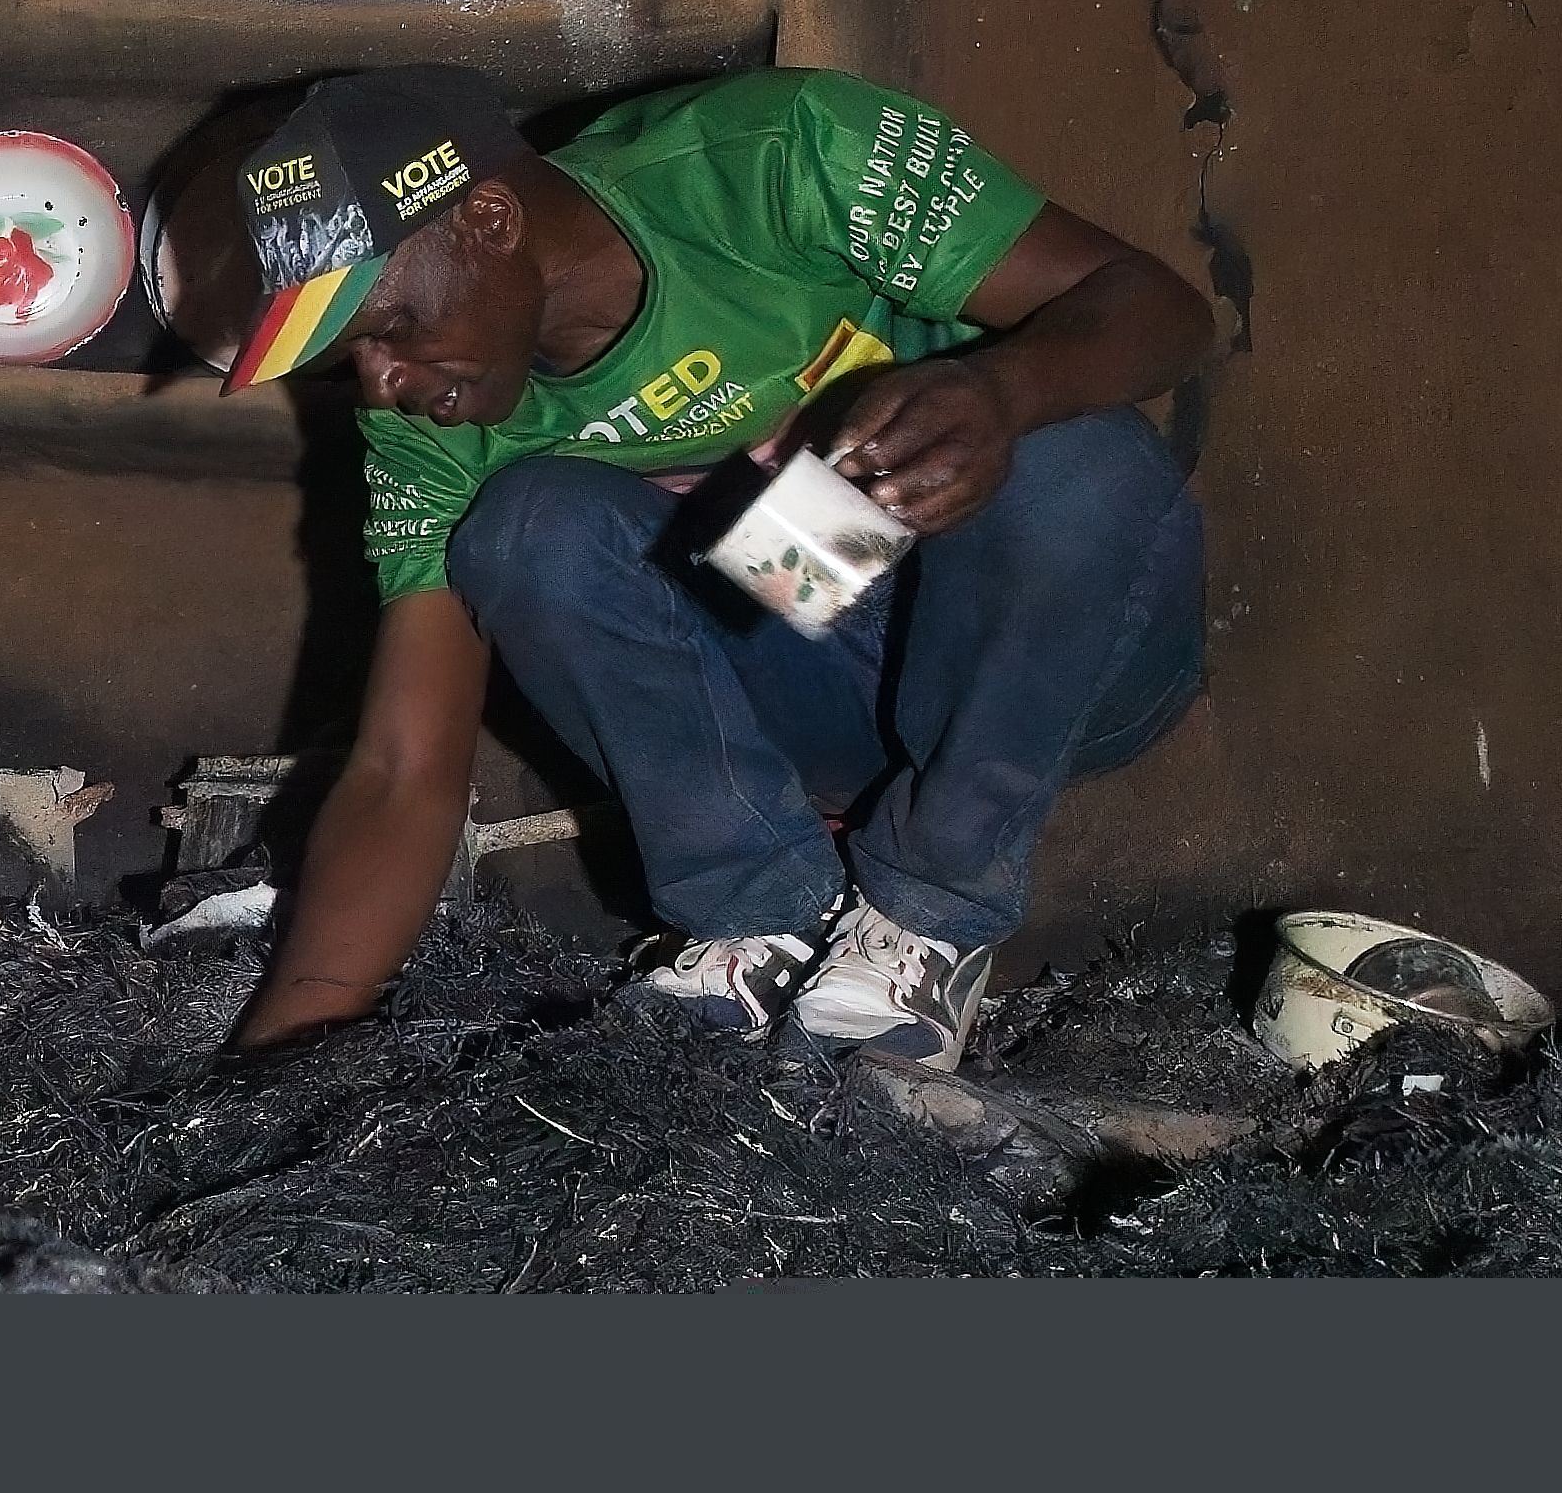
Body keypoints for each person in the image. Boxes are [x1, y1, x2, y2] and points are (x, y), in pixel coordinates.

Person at [148, 65, 1219, 1069]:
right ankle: (763, 919)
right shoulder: (431, 428)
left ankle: (925, 919)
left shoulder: (781, 160)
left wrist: (1004, 391)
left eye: (390, 326)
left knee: (1072, 451)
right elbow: (398, 766)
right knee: (526, 525)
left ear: (486, 218)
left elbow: (1160, 308)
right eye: (352, 359)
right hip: (818, 654)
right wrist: (278, 1064)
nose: (383, 383)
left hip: (1054, 650)